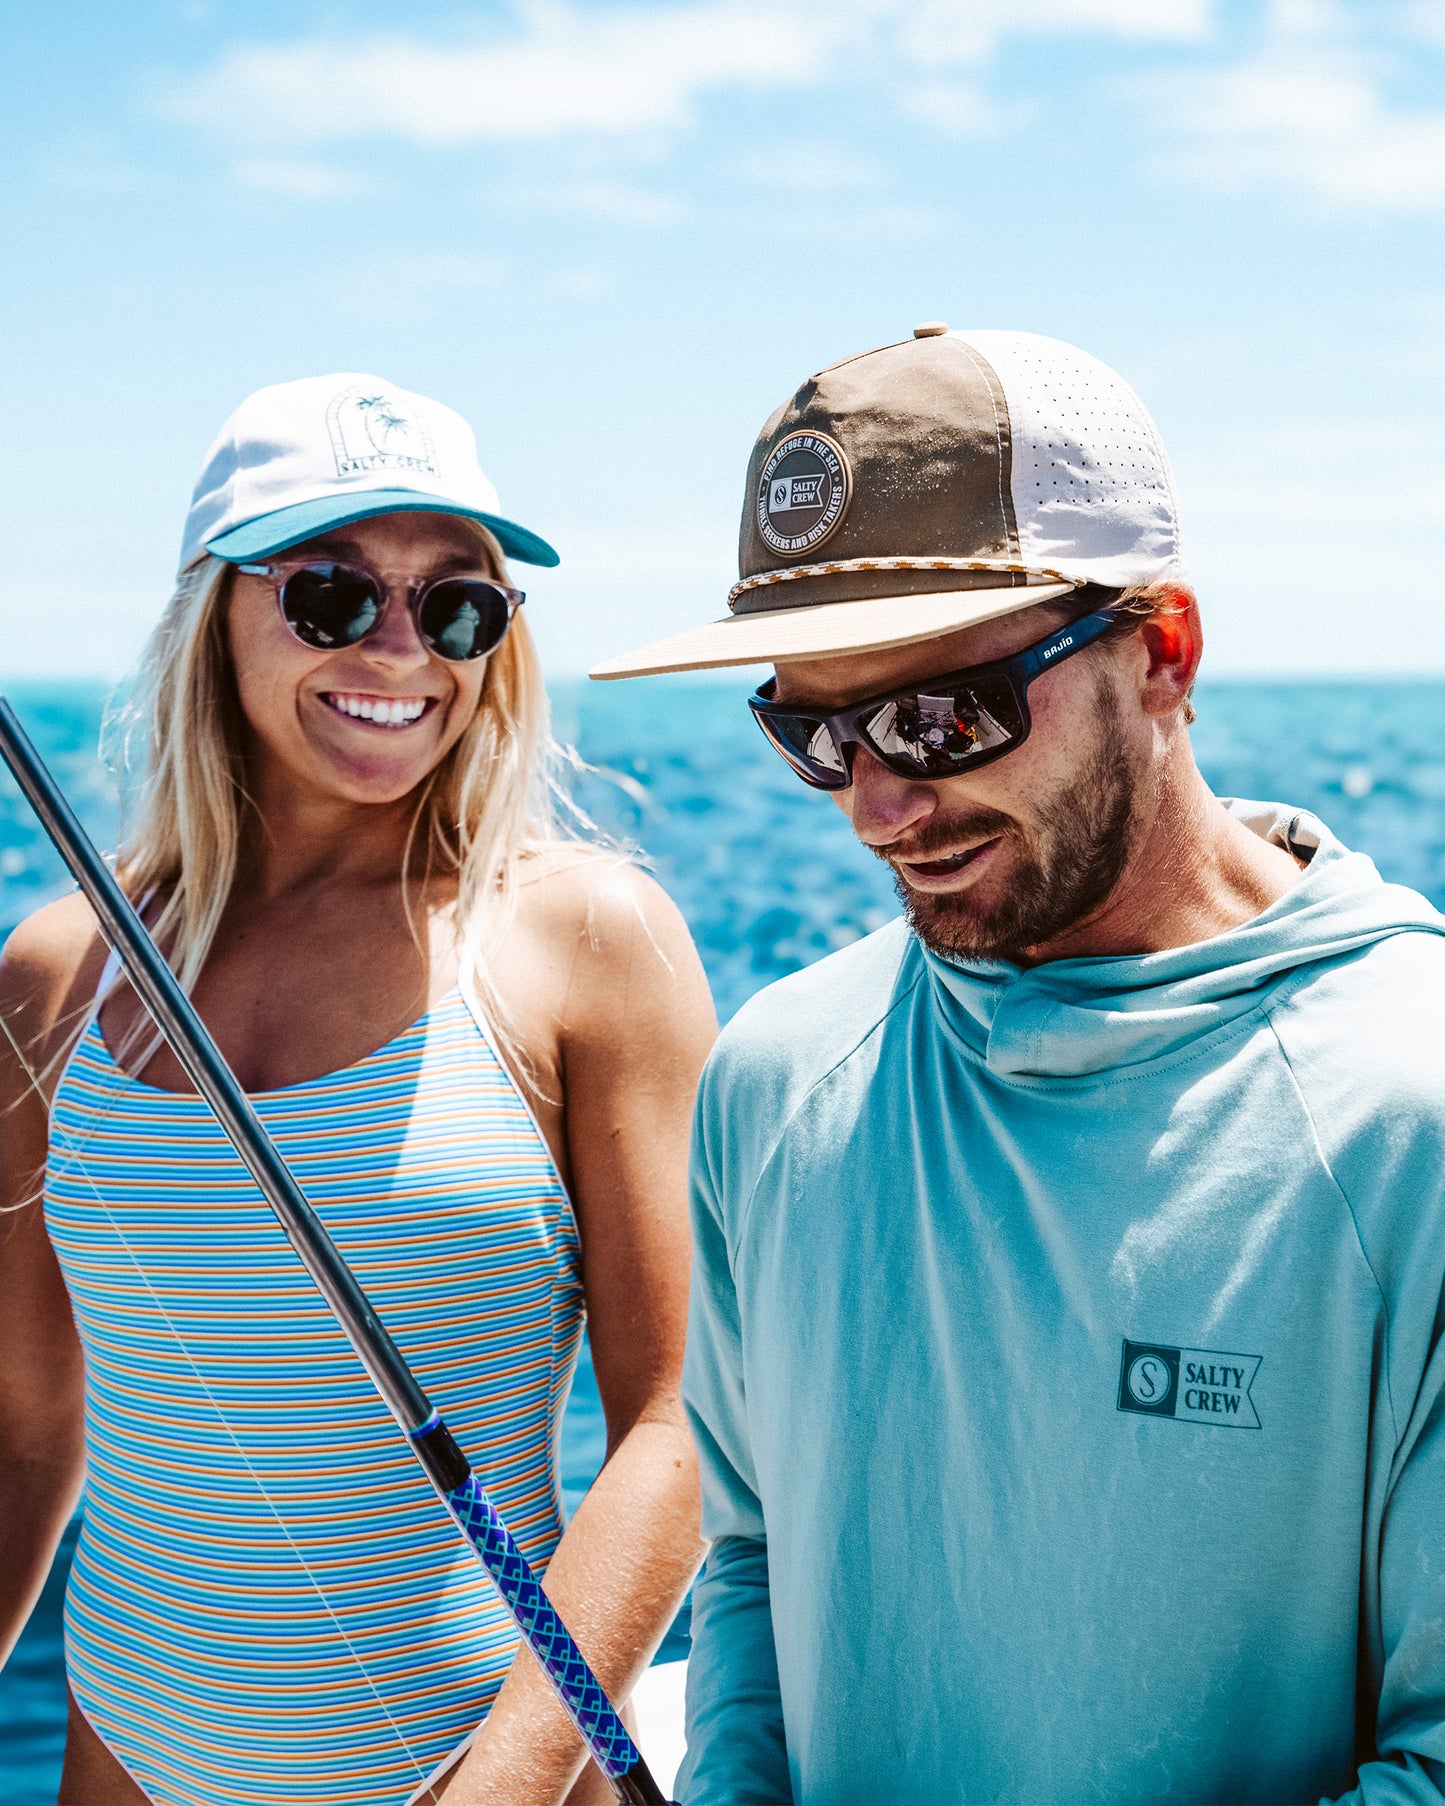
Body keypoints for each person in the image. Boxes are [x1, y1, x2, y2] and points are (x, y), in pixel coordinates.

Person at [590, 326, 1445, 1803]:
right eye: (813, 730)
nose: (875, 807)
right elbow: (751, 1551)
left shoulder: (1407, 1109)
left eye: (937, 716)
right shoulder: (771, 1077)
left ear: (1159, 653)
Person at [0, 374, 715, 1806]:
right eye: (332, 595)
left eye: (458, 605)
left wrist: (502, 1782)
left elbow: (679, 1417)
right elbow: (23, 1424)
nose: (404, 648)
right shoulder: (56, 969)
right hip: (122, 1768)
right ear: (219, 611)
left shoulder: (586, 937)